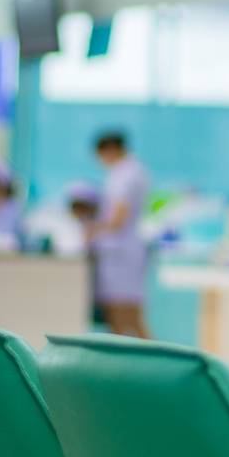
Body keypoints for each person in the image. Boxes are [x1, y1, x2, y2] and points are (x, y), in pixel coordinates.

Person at [89, 131, 151, 339]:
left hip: (122, 253)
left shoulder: (126, 174)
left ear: (111, 150)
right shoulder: (129, 171)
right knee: (116, 316)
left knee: (128, 315)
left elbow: (118, 219)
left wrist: (92, 230)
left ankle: (156, 364)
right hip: (119, 251)